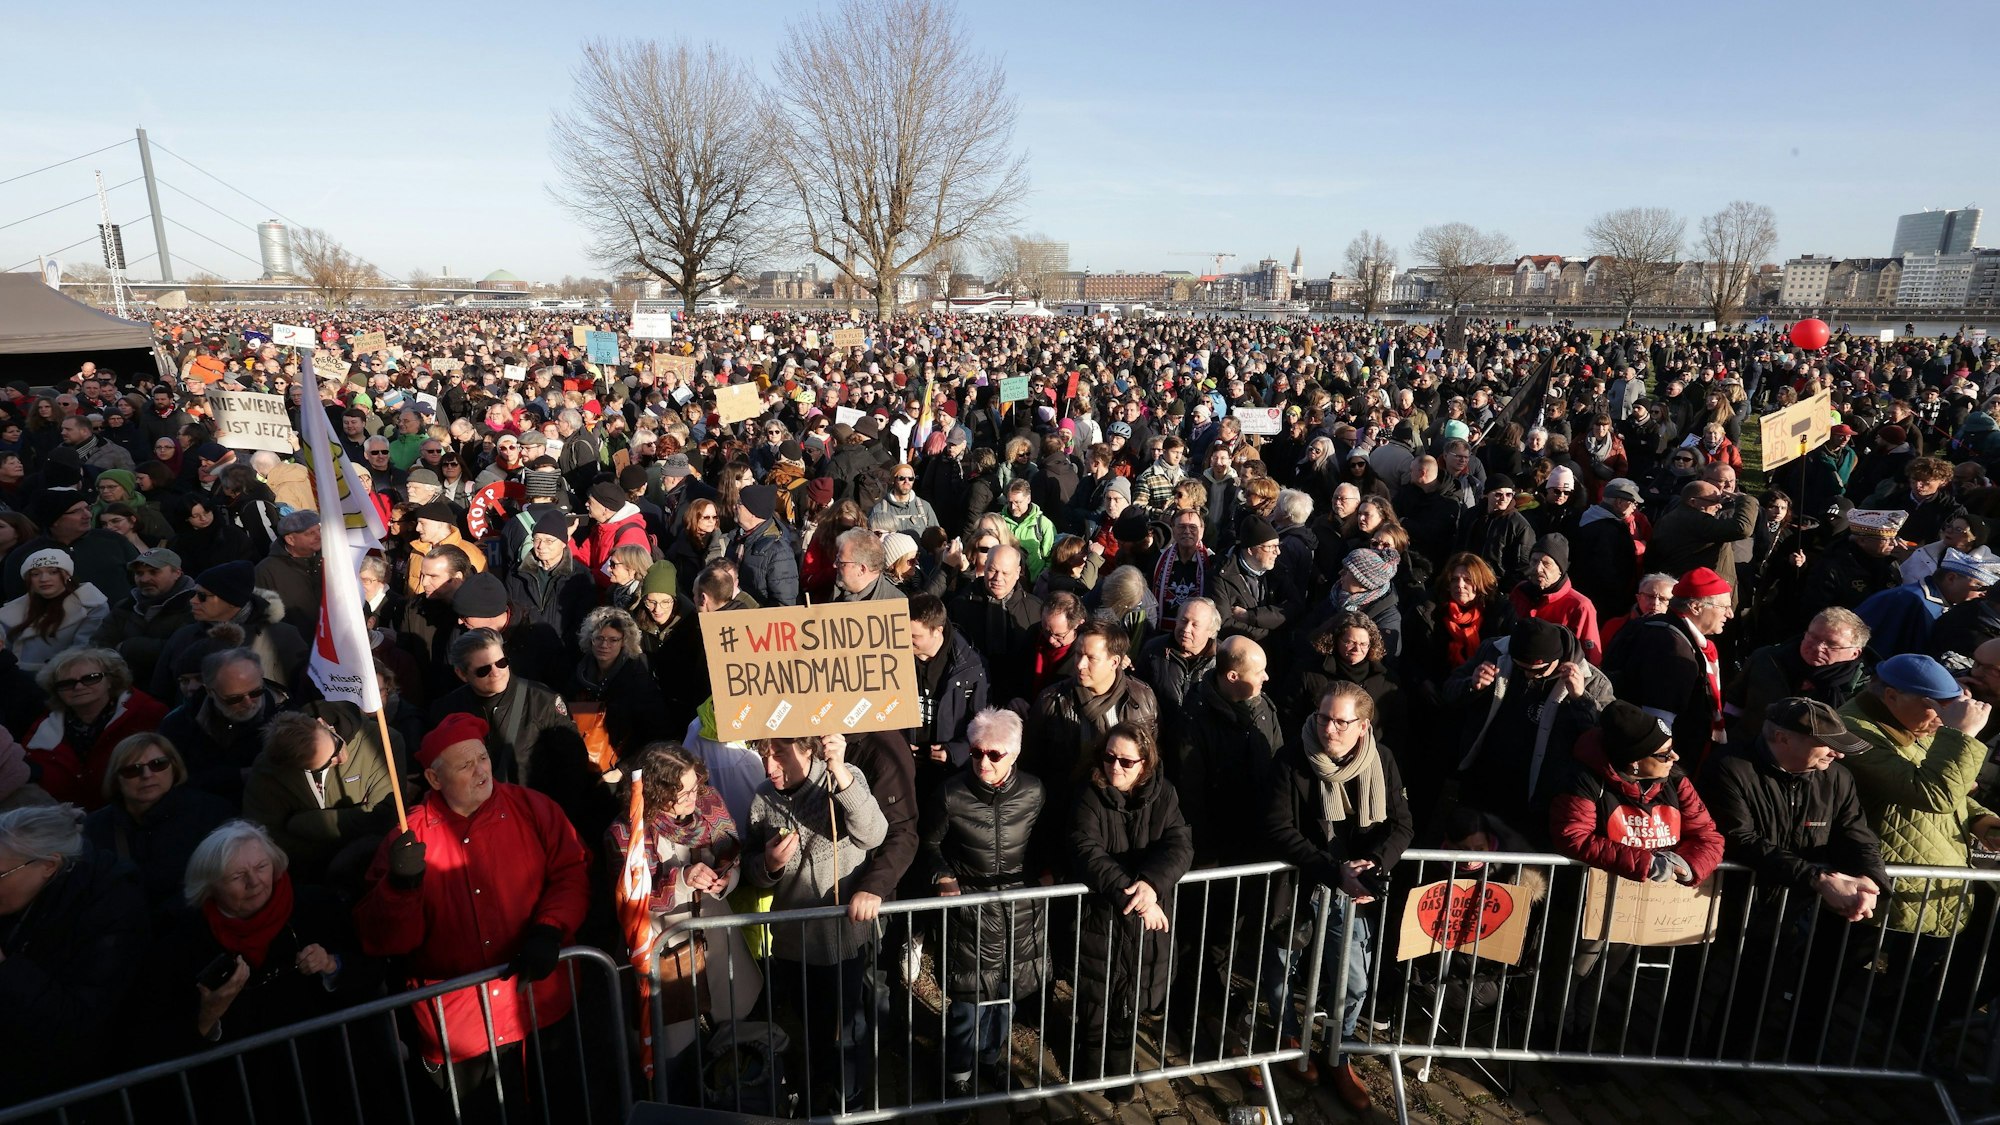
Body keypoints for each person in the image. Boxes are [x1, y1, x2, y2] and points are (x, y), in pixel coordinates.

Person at [355, 713, 592, 1120]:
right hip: (460, 1028)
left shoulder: (533, 808)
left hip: (539, 1004)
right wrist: (399, 887)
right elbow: (384, 938)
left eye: (482, 758)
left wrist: (550, 929)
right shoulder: (408, 837)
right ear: (433, 779)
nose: (481, 770)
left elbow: (571, 872)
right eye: (465, 765)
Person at [1699, 698, 1887, 1051]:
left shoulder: (1837, 777)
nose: (1837, 754)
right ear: (1783, 738)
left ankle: (1751, 1060)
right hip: (1733, 897)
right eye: (1827, 745)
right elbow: (1741, 840)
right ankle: (1693, 1055)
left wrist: (1869, 879)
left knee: (1773, 982)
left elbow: (1856, 833)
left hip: (1795, 904)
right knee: (1710, 981)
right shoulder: (1731, 767)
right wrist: (1818, 879)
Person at [1261, 681, 1413, 1111]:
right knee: (1279, 968)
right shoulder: (1292, 757)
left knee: (1354, 980)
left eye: (1340, 722)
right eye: (1323, 717)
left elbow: (1401, 825)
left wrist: (1374, 865)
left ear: (1362, 726)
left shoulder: (1380, 760)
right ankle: (1290, 1038)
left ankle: (1337, 1053)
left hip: (1352, 889)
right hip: (1301, 883)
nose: (1329, 728)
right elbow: (1277, 827)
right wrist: (1333, 870)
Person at [743, 730, 888, 1115]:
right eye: (763, 754)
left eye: (779, 754)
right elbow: (751, 868)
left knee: (847, 1028)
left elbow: (874, 833)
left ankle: (851, 1099)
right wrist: (769, 865)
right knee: (808, 1028)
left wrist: (840, 773)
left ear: (808, 748)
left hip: (844, 938)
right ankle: (814, 1093)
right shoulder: (763, 799)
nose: (769, 766)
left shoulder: (841, 778)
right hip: (793, 941)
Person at [921, 707, 1047, 1106]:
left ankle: (991, 1059)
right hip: (971, 914)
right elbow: (928, 844)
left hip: (1019, 912)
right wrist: (943, 876)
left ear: (1014, 754)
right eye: (976, 753)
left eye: (995, 755)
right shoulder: (951, 793)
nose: (984, 763)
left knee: (1006, 998)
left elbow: (1047, 841)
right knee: (967, 1003)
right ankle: (958, 1075)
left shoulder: (1033, 791)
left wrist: (1047, 874)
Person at [1068, 723, 1193, 1104]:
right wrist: (1138, 894)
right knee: (1095, 996)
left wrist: (1151, 884)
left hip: (1143, 917)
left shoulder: (1165, 794)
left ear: (1145, 763)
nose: (1115, 767)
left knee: (1129, 998)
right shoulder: (1089, 794)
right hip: (1102, 916)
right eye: (1109, 758)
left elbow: (1180, 845)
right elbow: (1086, 849)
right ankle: (1088, 1070)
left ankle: (1120, 1072)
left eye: (1125, 761)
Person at [1839, 654, 1999, 949]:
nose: (1942, 717)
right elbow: (1933, 794)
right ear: (1891, 696)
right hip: (1879, 899)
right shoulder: (1852, 733)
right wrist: (1962, 734)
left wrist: (1982, 821)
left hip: (1927, 897)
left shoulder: (1910, 723)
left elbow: (1952, 791)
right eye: (1935, 706)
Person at [0, 804, 151, 1104]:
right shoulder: (19, 898)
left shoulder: (112, 907)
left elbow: (81, 1021)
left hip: (74, 1094)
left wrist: (6, 969)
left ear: (48, 865)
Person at [1444, 618, 1614, 844]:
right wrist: (1472, 685)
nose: (1527, 676)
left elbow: (1604, 739)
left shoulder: (1593, 681)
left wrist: (1580, 699)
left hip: (1540, 797)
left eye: (1536, 671)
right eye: (1520, 668)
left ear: (1558, 661)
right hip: (1483, 783)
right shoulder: (1493, 651)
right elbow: (1449, 692)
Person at [241, 707, 400, 884]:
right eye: (327, 763)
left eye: (336, 743)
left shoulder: (379, 739)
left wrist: (303, 823)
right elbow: (269, 839)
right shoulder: (267, 770)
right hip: (305, 879)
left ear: (322, 723)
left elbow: (383, 817)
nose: (340, 758)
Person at [81, 732, 232, 919]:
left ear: (174, 767)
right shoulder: (94, 827)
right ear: (116, 778)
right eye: (132, 769)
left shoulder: (212, 813)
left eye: (158, 764)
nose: (147, 775)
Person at [1604, 568, 1736, 774]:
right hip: (1661, 766)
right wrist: (1664, 771)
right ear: (1696, 607)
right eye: (1724, 607)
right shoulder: (1671, 648)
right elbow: (1659, 721)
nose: (1730, 614)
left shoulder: (1655, 628)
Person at [24, 648, 169, 810]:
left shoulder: (148, 715)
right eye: (66, 683)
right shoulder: (42, 728)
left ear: (111, 681)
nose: (78, 687)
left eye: (91, 678)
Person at [1729, 609, 1873, 745]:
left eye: (1831, 644)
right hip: (1749, 748)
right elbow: (1734, 702)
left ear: (1855, 653)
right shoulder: (1767, 659)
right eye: (1813, 637)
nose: (1817, 647)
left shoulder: (1862, 688)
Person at [1855, 546, 2000, 658]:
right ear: (1951, 578)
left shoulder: (1933, 602)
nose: (1983, 594)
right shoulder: (1909, 599)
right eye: (1980, 586)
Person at [949, 544, 1042, 706]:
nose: (998, 578)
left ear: (1018, 572)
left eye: (1005, 573)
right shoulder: (960, 605)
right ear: (984, 568)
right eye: (993, 570)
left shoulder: (1035, 610)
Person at [93, 546, 198, 688]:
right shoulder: (126, 605)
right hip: (123, 687)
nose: (145, 579)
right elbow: (99, 644)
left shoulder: (194, 605)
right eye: (139, 573)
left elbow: (181, 649)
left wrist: (128, 647)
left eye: (154, 572)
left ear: (177, 573)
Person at [2, 548, 109, 670]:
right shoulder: (11, 611)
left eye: (53, 572)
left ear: (67, 575)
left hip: (63, 674)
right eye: (35, 574)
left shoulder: (92, 605)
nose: (44, 579)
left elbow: (83, 650)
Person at [1509, 533, 1601, 665]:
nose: (1538, 568)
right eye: (1534, 561)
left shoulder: (1580, 606)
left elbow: (1591, 659)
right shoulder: (1519, 592)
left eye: (1546, 564)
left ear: (1560, 569)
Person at [253, 509, 324, 636]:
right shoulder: (266, 571)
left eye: (319, 530)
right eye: (310, 533)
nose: (318, 536)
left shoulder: (331, 559)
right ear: (291, 540)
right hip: (297, 645)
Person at [729, 484, 800, 607]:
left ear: (753, 512)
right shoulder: (737, 539)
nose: (734, 507)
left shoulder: (778, 551)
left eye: (740, 503)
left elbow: (784, 605)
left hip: (758, 622)